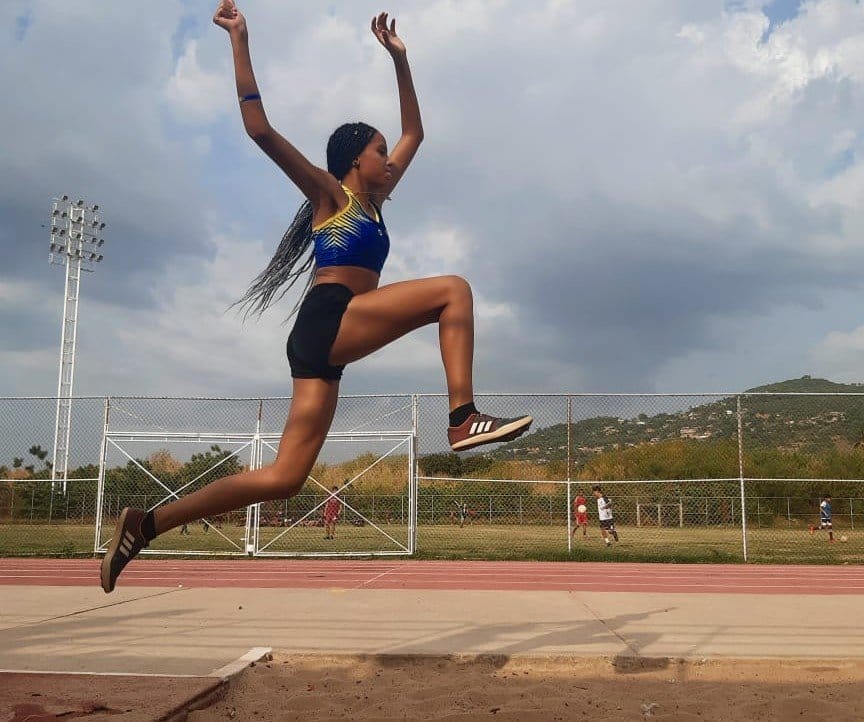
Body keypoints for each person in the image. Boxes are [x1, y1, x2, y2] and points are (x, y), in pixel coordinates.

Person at [100, 2, 532, 594]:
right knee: (452, 292)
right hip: (330, 320)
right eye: (380, 153)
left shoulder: (374, 201)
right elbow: (258, 129)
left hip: (319, 343)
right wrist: (239, 40)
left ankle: (146, 523)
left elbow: (416, 132)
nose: (390, 160)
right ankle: (461, 419)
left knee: (283, 478)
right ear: (358, 161)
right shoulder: (332, 196)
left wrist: (400, 61)